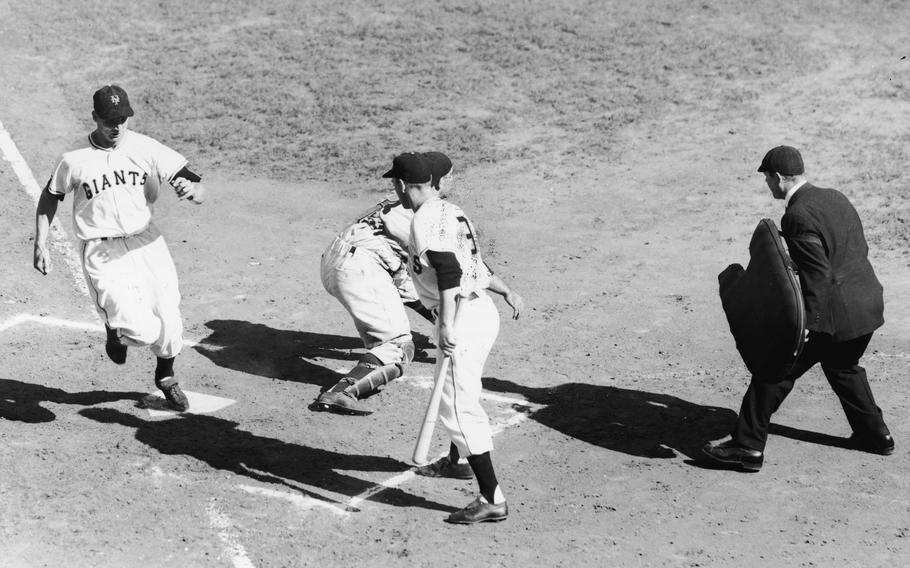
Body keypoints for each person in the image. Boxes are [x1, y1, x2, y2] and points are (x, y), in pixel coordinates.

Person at [702, 145, 894, 471]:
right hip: (867, 307)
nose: (766, 185)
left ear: (777, 178)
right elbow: (853, 248)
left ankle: (747, 446)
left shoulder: (796, 216)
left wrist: (807, 328)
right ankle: (875, 436)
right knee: (843, 367)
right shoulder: (835, 197)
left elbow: (818, 275)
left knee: (773, 370)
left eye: (766, 178)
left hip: (834, 316)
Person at [33, 85, 207, 411]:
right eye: (109, 120)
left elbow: (193, 182)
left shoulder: (144, 147)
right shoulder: (74, 159)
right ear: (95, 117)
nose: (117, 127)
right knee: (142, 332)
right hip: (102, 252)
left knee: (170, 322)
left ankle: (166, 377)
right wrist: (41, 242)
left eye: (123, 119)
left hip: (147, 242)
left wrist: (192, 191)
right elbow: (50, 196)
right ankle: (115, 330)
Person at [390, 152, 524, 524]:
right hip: (481, 311)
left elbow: (449, 271)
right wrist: (505, 290)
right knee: (460, 389)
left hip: (461, 317)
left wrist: (446, 324)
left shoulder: (423, 220)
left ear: (402, 186)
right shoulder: (452, 211)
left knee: (457, 405)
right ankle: (456, 461)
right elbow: (473, 264)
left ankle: (491, 497)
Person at [312, 152, 453, 415]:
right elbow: (445, 273)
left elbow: (413, 286)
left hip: (346, 259)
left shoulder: (401, 204)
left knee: (414, 292)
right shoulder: (426, 213)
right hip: (361, 267)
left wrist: (445, 321)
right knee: (398, 347)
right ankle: (340, 392)